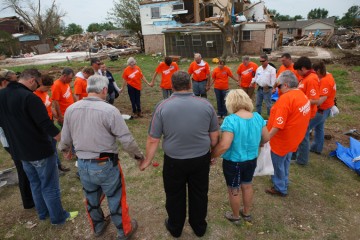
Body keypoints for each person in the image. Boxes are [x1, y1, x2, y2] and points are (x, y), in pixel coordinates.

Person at [58, 75, 143, 239]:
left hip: (82, 164)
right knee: (115, 197)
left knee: (91, 198)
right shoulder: (110, 110)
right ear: (104, 90)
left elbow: (65, 138)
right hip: (105, 164)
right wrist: (139, 157)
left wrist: (65, 150)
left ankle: (98, 227)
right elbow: (126, 139)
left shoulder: (71, 109)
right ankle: (123, 231)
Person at [141, 71, 219, 238]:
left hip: (174, 161)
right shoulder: (206, 105)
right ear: (190, 84)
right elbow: (214, 137)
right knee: (199, 192)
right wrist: (212, 154)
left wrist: (147, 160)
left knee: (174, 193)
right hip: (200, 159)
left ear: (171, 86)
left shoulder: (162, 106)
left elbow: (153, 139)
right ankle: (199, 227)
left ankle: (175, 227)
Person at [0, 69, 78, 224]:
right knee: (50, 185)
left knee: (35, 183)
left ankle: (43, 213)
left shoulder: (1, 95)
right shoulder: (30, 98)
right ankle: (58, 217)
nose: (38, 87)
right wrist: (65, 145)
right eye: (38, 84)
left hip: (20, 151)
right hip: (39, 150)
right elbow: (46, 125)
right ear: (31, 80)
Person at [211, 89, 269, 224]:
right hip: (251, 160)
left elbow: (224, 145)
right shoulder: (258, 117)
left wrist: (211, 155)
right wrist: (258, 143)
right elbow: (266, 137)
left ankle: (235, 216)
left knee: (234, 189)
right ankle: (246, 213)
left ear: (230, 103)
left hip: (234, 162)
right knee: (247, 185)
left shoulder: (230, 120)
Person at [265, 71, 311, 196]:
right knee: (285, 162)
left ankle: (280, 187)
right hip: (294, 138)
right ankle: (284, 181)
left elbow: (278, 125)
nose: (277, 89)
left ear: (285, 85)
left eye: (279, 86)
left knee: (277, 164)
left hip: (281, 141)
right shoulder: (302, 95)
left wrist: (265, 139)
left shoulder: (285, 100)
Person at [0, 69, 34, 209]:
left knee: (26, 168)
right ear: (4, 82)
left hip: (13, 138)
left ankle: (31, 196)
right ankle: (28, 201)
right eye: (14, 81)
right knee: (23, 169)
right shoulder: (3, 96)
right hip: (10, 139)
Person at [34, 74, 70, 173]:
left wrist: (58, 116)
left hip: (50, 122)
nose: (49, 90)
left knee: (53, 146)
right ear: (40, 85)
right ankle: (54, 167)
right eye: (47, 87)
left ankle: (58, 165)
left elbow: (50, 106)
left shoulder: (44, 93)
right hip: (44, 126)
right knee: (50, 147)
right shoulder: (34, 96)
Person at [293, 57, 320, 165]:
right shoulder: (306, 77)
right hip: (302, 112)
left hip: (306, 113)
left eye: (298, 71)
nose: (298, 74)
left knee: (303, 136)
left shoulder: (311, 79)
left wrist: (300, 102)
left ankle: (302, 160)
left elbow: (315, 100)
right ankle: (295, 155)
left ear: (303, 68)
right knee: (298, 135)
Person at [310, 62, 336, 154]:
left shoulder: (326, 81)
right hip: (326, 108)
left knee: (305, 129)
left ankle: (300, 152)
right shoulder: (328, 76)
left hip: (321, 110)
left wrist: (307, 102)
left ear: (319, 70)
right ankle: (316, 148)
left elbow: (321, 100)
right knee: (319, 128)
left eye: (315, 72)